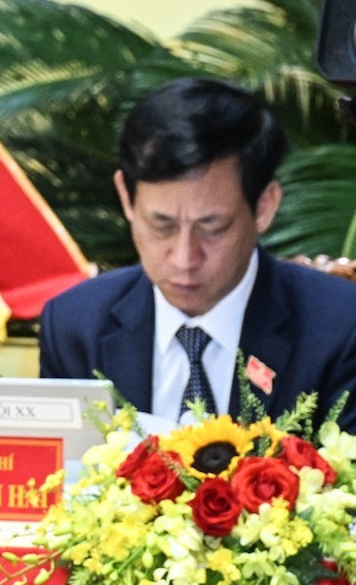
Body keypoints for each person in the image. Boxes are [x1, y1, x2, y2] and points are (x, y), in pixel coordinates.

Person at [40, 77, 356, 429]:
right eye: (162, 225)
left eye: (213, 226)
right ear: (126, 198)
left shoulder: (340, 329)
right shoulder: (76, 326)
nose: (184, 259)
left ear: (264, 206)